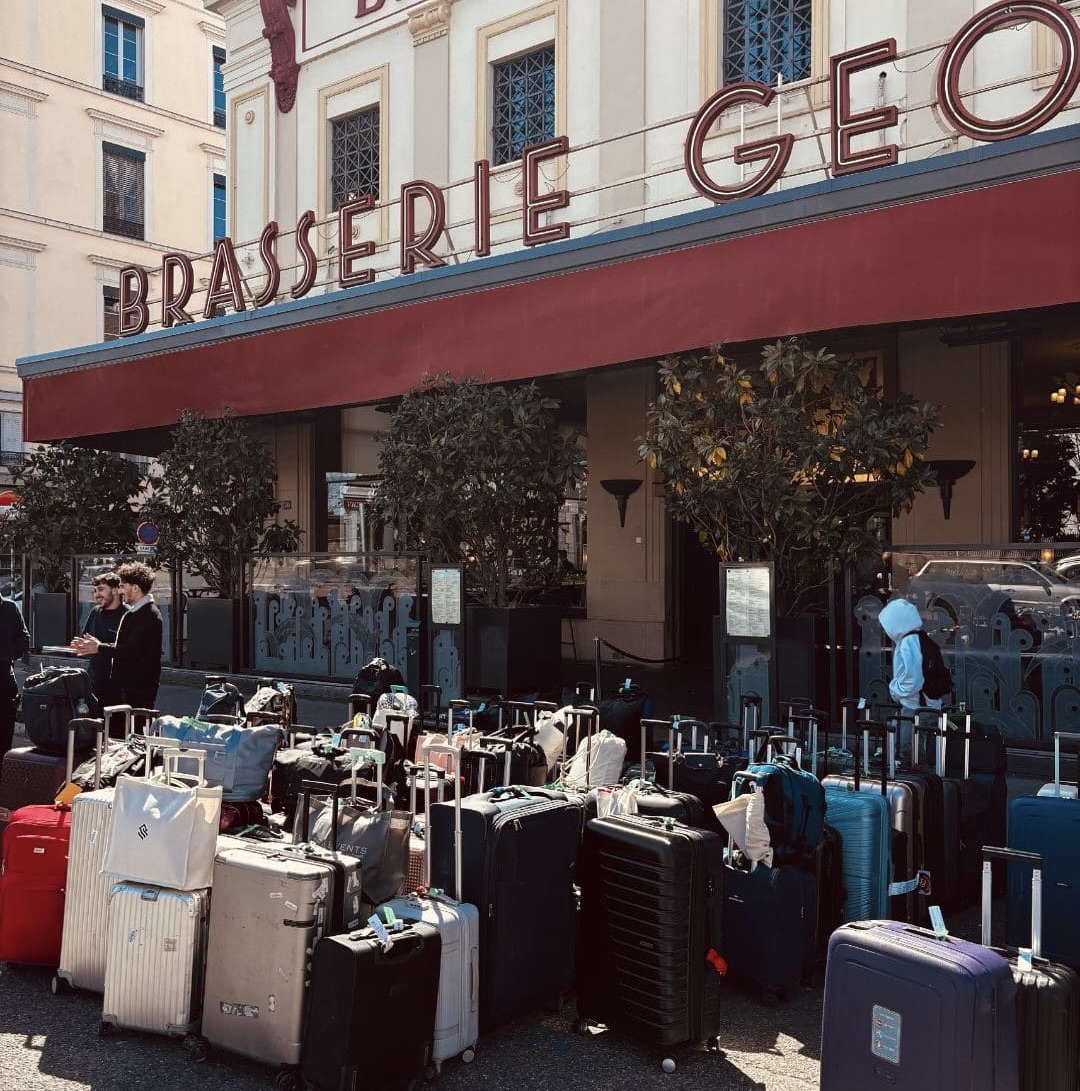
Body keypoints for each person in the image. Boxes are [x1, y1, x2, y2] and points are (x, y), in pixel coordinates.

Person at [72, 560, 162, 714]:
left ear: (135, 588)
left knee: (131, 734)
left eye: (123, 587)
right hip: (123, 689)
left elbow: (130, 651)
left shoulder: (148, 614)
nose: (121, 591)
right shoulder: (136, 613)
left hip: (138, 692)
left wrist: (99, 647)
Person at [878, 597, 942, 768]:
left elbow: (913, 679)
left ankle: (919, 790)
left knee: (909, 755)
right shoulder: (921, 638)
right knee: (924, 753)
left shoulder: (908, 642)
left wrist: (895, 691)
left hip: (915, 708)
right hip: (928, 705)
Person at [81, 572, 126, 712]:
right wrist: (82, 646)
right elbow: (86, 638)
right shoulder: (95, 612)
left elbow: (129, 650)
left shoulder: (128, 615)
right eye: (94, 591)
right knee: (94, 729)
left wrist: (99, 647)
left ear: (115, 590)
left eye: (101, 589)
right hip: (93, 682)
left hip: (118, 687)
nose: (96, 595)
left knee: (115, 730)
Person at [0, 589, 29, 757]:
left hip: (3, 675)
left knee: (4, 729)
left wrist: (6, 654)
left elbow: (24, 638)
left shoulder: (10, 608)